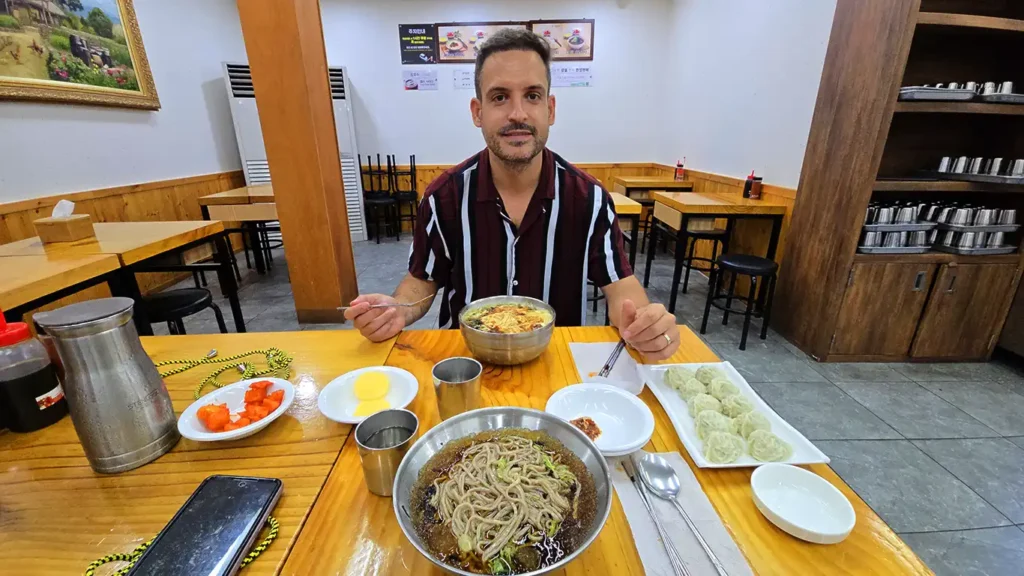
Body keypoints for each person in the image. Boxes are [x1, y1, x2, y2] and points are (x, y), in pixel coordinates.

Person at [345, 28, 679, 360]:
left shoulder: (588, 199)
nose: (517, 114)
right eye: (500, 97)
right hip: (467, 364)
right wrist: (397, 310)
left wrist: (644, 323)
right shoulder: (443, 196)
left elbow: (621, 287)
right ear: (478, 112)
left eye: (532, 96)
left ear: (550, 109)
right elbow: (423, 280)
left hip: (555, 364)